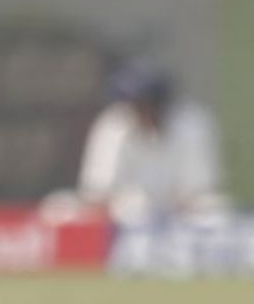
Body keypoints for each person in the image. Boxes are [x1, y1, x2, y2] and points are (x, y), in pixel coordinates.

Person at [76, 63, 228, 227]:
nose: (141, 111)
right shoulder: (113, 124)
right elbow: (97, 191)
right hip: (124, 218)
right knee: (59, 207)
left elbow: (198, 190)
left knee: (216, 214)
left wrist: (167, 213)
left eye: (146, 103)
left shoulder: (193, 123)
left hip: (184, 219)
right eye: (134, 105)